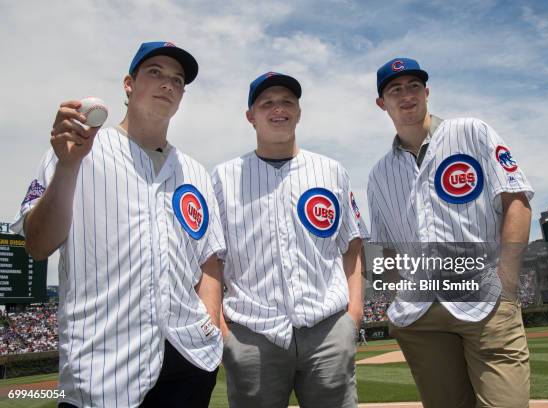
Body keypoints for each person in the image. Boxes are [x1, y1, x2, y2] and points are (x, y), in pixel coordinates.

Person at [12, 41, 225, 408]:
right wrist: (68, 166)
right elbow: (37, 244)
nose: (168, 85)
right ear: (129, 84)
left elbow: (209, 259)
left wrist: (210, 325)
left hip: (189, 360)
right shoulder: (76, 150)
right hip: (103, 367)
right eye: (155, 73)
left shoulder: (195, 173)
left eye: (177, 80)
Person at [367, 57, 533, 408]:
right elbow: (389, 251)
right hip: (421, 316)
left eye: (413, 86)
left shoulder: (471, 132)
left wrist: (507, 282)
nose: (406, 94)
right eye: (395, 89)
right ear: (383, 103)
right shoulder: (379, 174)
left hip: (486, 302)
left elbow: (516, 201)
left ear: (427, 92)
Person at [212, 72, 369, 408]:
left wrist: (352, 317)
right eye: (266, 103)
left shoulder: (331, 171)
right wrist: (225, 335)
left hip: (327, 330)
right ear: (250, 116)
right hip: (253, 333)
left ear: (298, 112)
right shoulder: (223, 178)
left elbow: (352, 247)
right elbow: (212, 260)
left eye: (287, 102)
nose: (278, 109)